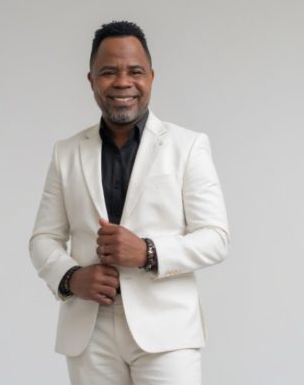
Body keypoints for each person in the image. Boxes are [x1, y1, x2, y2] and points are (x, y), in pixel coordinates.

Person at [29, 21, 230, 385]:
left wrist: (148, 252)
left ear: (151, 77)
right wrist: (72, 278)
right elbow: (43, 238)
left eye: (135, 71)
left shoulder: (188, 146)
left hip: (167, 331)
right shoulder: (66, 153)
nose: (123, 82)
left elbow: (215, 238)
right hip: (89, 330)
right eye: (109, 72)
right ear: (91, 80)